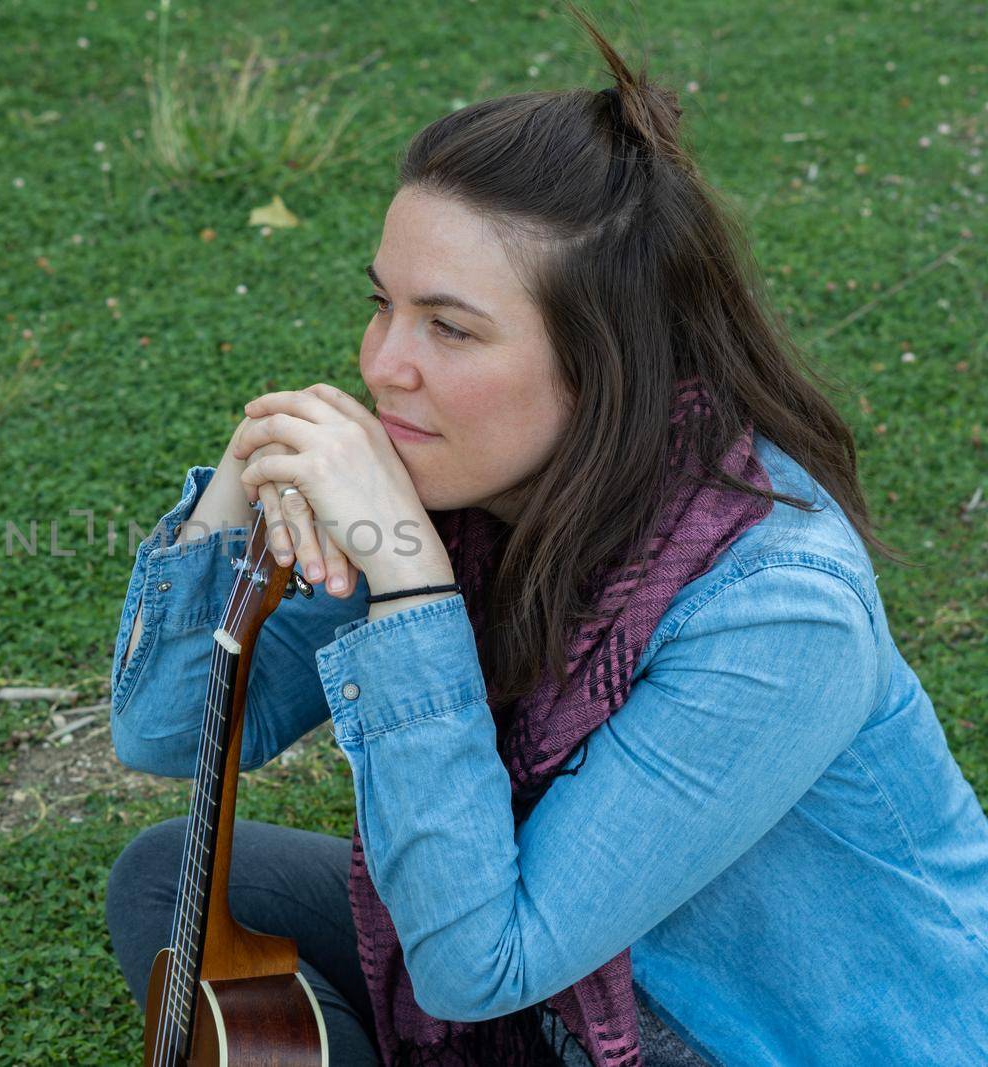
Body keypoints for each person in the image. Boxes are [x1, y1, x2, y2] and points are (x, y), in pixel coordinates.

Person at [103, 7, 988, 1066]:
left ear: (604, 361)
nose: (385, 364)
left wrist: (410, 590)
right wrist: (232, 496)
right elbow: (165, 734)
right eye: (382, 304)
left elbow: (479, 965)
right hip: (559, 970)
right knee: (172, 874)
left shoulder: (778, 610)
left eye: (451, 327)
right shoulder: (454, 473)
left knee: (454, 955)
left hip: (743, 1032)